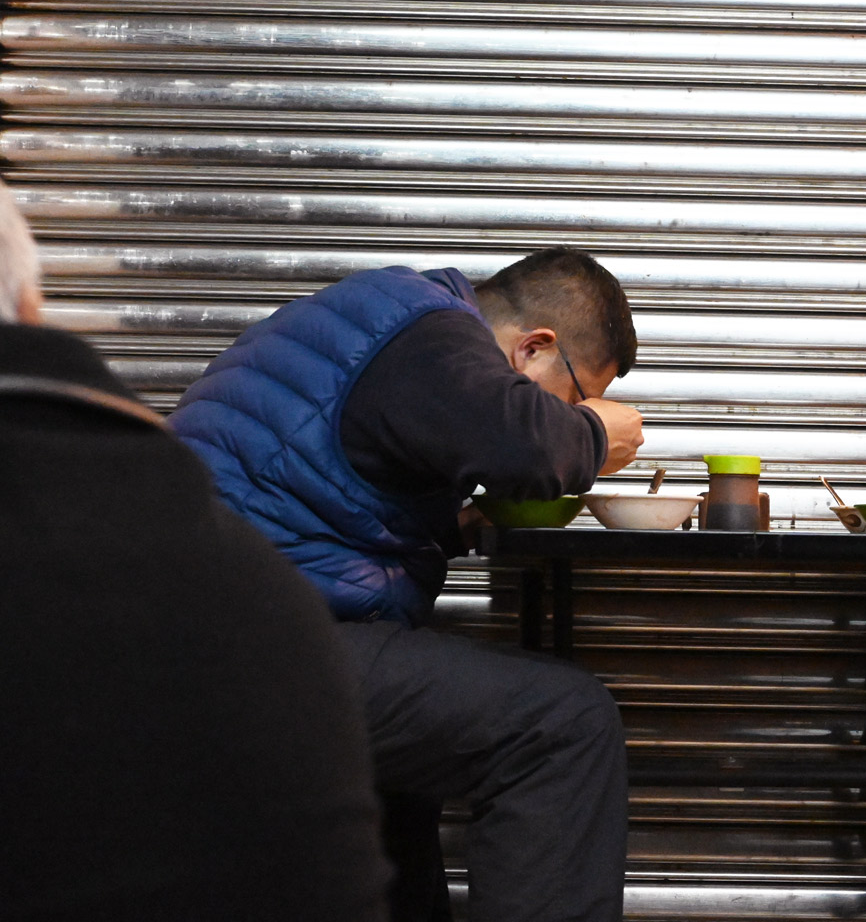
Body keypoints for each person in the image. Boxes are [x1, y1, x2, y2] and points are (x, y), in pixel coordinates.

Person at [169, 247, 645, 922]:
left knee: (402, 808)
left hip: (219, 633)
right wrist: (594, 432)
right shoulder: (428, 333)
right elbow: (528, 448)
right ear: (534, 349)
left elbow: (319, 492)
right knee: (562, 725)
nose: (575, 410)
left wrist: (456, 526)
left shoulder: (388, 325)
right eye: (575, 393)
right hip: (237, 649)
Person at [0, 180, 391, 919]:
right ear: (31, 306)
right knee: (560, 721)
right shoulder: (246, 594)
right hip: (313, 633)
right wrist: (590, 433)